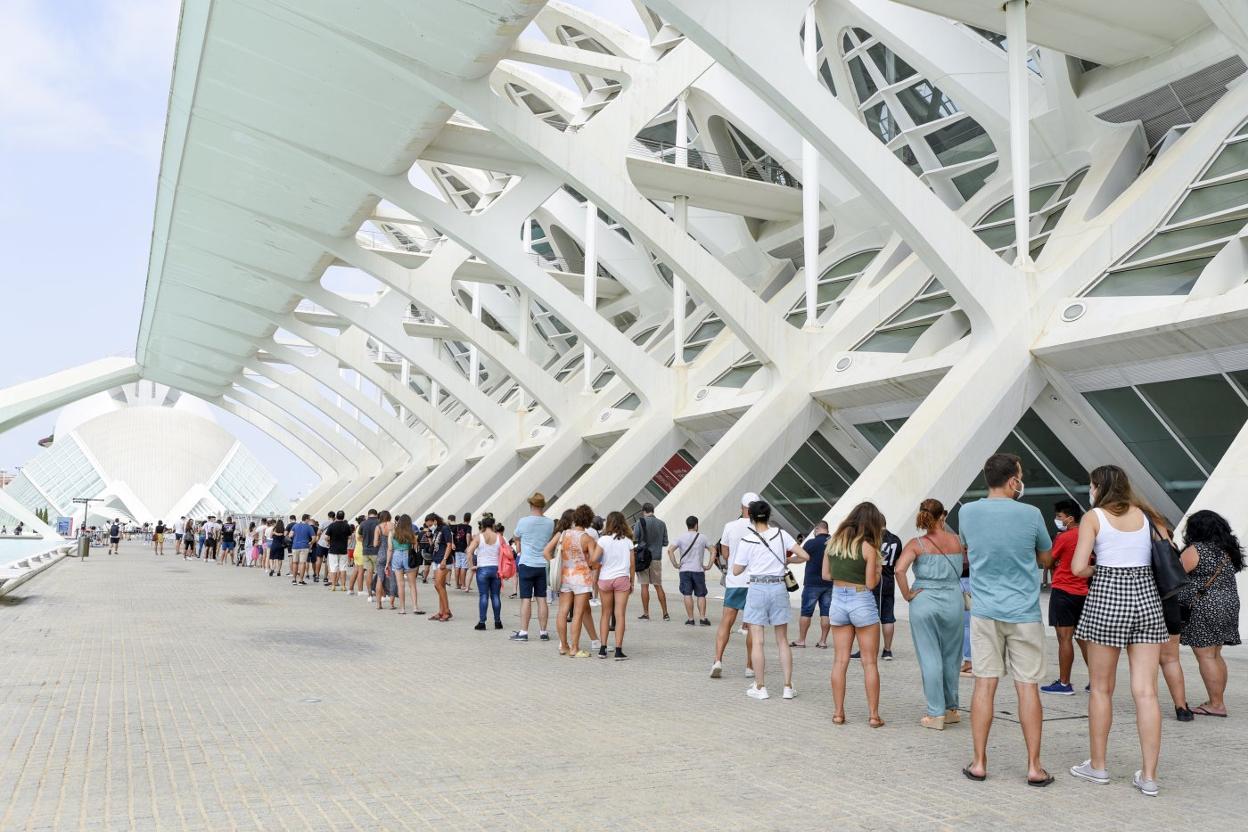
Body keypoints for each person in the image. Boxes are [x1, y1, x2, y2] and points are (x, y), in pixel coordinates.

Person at [1069, 465, 1168, 797]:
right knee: (1147, 693)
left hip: (1108, 597)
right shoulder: (1149, 517)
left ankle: (1098, 767)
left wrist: (1105, 567)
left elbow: (1079, 567)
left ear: (1098, 487)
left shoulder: (1094, 517)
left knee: (1100, 689)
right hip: (1147, 598)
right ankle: (1149, 777)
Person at [958, 453, 1054, 787]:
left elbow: (969, 549)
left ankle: (980, 762)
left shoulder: (967, 512)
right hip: (1024, 612)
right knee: (1027, 686)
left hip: (985, 611)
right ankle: (1033, 767)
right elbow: (1046, 557)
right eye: (1021, 476)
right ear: (1013, 480)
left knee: (984, 683)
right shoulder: (1031, 514)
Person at [894, 499, 965, 729]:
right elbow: (964, 564)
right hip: (953, 600)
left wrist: (907, 595)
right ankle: (951, 708)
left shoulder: (917, 544)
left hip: (924, 600)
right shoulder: (956, 541)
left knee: (929, 656)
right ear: (942, 515)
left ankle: (935, 714)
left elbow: (899, 570)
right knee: (952, 657)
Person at [732, 499, 807, 701]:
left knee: (758, 640)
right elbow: (805, 556)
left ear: (751, 517)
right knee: (782, 639)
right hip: (778, 587)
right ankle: (787, 687)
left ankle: (760, 686)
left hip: (757, 587)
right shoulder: (781, 534)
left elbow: (736, 570)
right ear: (769, 515)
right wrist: (788, 559)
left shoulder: (747, 540)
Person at [1176, 509, 1243, 717]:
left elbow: (1175, 574)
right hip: (1228, 604)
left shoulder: (1196, 550)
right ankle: (1217, 700)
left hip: (1204, 606)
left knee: (1205, 655)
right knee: (1215, 654)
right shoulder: (1226, 551)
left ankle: (1216, 704)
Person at [825, 502, 885, 724]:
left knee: (840, 660)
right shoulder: (869, 548)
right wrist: (878, 571)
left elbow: (825, 574)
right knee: (869, 662)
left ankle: (838, 713)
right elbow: (871, 584)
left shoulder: (833, 544)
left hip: (838, 599)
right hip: (861, 599)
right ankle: (873, 716)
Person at [1041, 500, 1089, 696]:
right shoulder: (1089, 535)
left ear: (1070, 517)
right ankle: (1096, 680)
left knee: (1064, 639)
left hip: (1063, 590)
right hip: (1084, 591)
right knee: (1083, 638)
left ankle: (1064, 683)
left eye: (1059, 516)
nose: (1057, 520)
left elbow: (1048, 560)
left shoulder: (1065, 537)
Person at [710, 492, 758, 679]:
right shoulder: (762, 528)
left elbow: (726, 554)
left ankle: (718, 660)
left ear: (742, 508)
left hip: (734, 581)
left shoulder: (730, 526)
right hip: (754, 582)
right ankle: (749, 666)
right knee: (753, 625)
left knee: (726, 622)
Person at [546, 505, 595, 657]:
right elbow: (593, 561)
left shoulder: (563, 534)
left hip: (565, 576)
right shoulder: (587, 538)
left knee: (562, 611)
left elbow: (546, 551)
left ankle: (564, 646)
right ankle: (575, 648)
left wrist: (554, 563)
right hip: (581, 578)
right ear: (589, 520)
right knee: (578, 614)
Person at [591, 511, 635, 659]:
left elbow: (594, 559)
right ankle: (618, 650)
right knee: (620, 614)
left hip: (605, 579)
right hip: (622, 579)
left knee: (605, 613)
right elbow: (632, 565)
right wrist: (632, 582)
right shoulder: (628, 541)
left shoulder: (603, 540)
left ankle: (602, 649)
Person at [510, 493, 553, 643]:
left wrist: (520, 546)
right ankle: (543, 632)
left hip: (526, 563)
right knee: (542, 598)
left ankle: (523, 632)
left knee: (526, 599)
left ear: (531, 505)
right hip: (542, 564)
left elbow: (516, 536)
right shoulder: (550, 523)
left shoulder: (523, 522)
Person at [793, 521, 832, 649]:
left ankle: (801, 640)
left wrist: (788, 560)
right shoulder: (835, 542)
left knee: (806, 612)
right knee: (826, 613)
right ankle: (823, 641)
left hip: (812, 583)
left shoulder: (811, 543)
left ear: (817, 529)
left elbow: (801, 558)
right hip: (830, 583)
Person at [668, 515, 712, 626]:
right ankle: (702, 618)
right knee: (701, 594)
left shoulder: (681, 537)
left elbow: (670, 550)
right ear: (696, 525)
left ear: (687, 525)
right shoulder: (703, 537)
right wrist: (708, 565)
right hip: (698, 570)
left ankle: (691, 619)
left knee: (687, 594)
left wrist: (676, 564)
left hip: (684, 570)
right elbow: (714, 551)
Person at [465, 517, 504, 630]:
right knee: (496, 595)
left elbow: (469, 552)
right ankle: (498, 622)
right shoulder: (499, 537)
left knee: (483, 595)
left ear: (482, 525)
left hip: (482, 569)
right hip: (496, 569)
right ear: (493, 525)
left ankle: (482, 622)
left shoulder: (479, 537)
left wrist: (472, 566)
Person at [633, 503, 670, 621]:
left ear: (643, 511)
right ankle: (665, 613)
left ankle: (646, 613)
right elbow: (665, 542)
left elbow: (635, 539)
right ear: (653, 511)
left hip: (643, 558)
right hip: (656, 558)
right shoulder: (661, 523)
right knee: (658, 585)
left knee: (644, 586)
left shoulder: (639, 523)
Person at [387, 514, 423, 615]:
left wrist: (387, 563)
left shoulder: (392, 532)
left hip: (397, 556)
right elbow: (415, 545)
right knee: (412, 584)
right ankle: (415, 607)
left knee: (400, 585)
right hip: (408, 555)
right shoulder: (411, 532)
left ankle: (402, 608)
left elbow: (390, 548)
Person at [428, 514, 456, 621]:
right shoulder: (436, 531)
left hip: (443, 561)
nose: (429, 525)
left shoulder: (445, 528)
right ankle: (441, 611)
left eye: (430, 523)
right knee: (440, 586)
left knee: (438, 585)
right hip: (436, 559)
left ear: (435, 521)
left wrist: (444, 559)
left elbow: (449, 544)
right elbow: (434, 546)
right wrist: (430, 537)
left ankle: (447, 611)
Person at [324, 510, 353, 592]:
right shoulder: (347, 525)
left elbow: (326, 537)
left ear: (336, 516)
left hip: (333, 549)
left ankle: (333, 586)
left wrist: (329, 542)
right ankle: (343, 586)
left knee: (333, 568)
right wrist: (346, 544)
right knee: (343, 568)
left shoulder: (332, 525)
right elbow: (350, 537)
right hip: (343, 550)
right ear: (343, 517)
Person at [374, 510, 397, 610]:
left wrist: (380, 541)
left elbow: (375, 544)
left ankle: (379, 604)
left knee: (380, 578)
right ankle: (392, 604)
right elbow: (396, 540)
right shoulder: (393, 526)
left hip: (381, 553)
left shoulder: (378, 527)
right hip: (392, 554)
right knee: (392, 578)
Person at [354, 509, 379, 599]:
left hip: (365, 551)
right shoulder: (379, 522)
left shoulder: (363, 524)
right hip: (376, 551)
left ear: (368, 515)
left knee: (369, 572)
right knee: (379, 573)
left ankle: (369, 595)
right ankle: (382, 594)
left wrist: (364, 542)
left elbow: (359, 537)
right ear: (376, 514)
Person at [288, 515, 315, 585]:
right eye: (309, 519)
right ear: (306, 519)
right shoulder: (309, 527)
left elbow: (290, 535)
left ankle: (294, 580)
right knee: (302, 563)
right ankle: (300, 580)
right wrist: (310, 543)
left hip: (295, 546)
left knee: (295, 562)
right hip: (304, 546)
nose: (309, 521)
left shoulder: (295, 526)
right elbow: (314, 538)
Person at [450, 513, 472, 591]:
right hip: (463, 548)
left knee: (457, 565)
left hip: (456, 547)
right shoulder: (468, 527)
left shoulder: (457, 526)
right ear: (470, 519)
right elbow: (468, 535)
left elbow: (451, 534)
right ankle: (463, 585)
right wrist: (468, 546)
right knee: (463, 566)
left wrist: (453, 543)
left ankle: (457, 584)